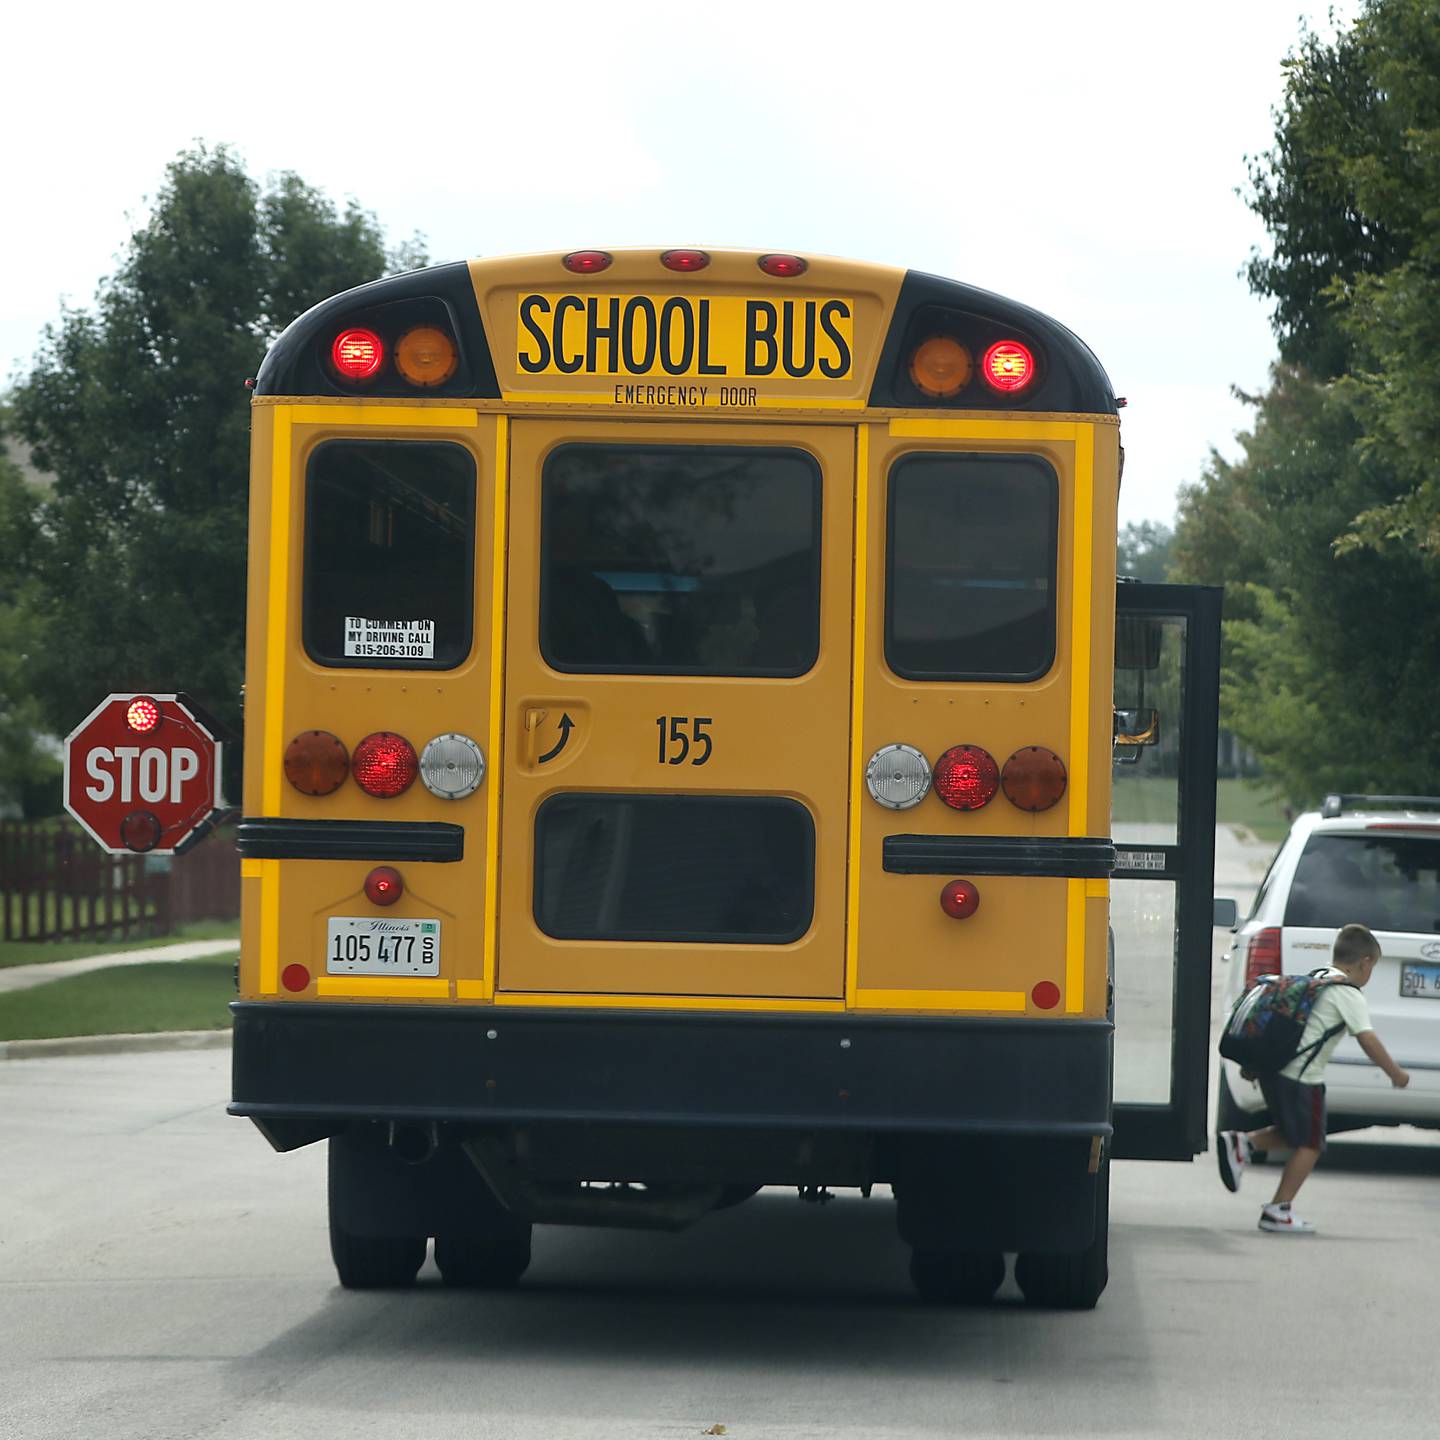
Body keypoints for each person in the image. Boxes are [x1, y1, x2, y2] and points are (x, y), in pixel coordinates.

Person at [1217, 923, 1410, 1233]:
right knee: (1310, 1143)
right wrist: (1395, 1074)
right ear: (1366, 962)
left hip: (1276, 1072)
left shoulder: (1318, 977)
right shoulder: (1348, 993)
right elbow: (1367, 1039)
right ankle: (1278, 1209)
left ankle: (1244, 1144)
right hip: (1302, 1079)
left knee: (1293, 1133)